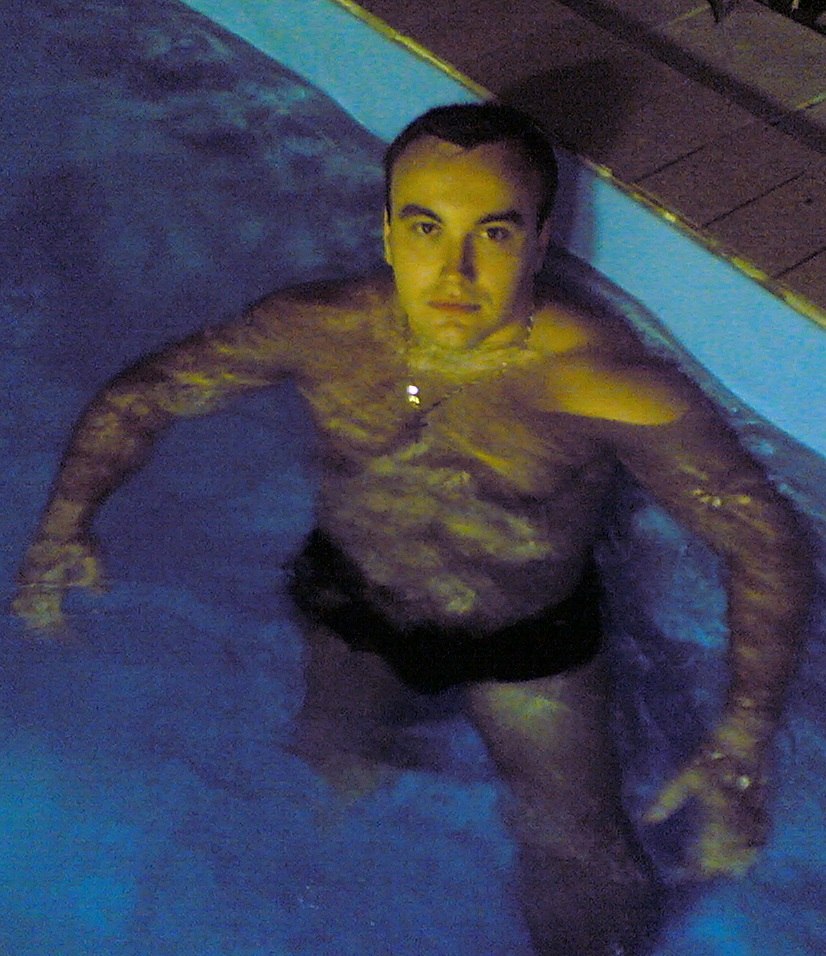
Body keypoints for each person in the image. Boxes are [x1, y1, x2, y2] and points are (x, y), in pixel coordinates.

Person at [12, 103, 814, 955]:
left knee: (585, 863)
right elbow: (148, 394)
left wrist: (743, 735)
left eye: (493, 234)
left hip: (530, 649)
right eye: (427, 228)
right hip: (349, 603)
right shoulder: (318, 329)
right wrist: (64, 525)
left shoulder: (595, 379)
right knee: (325, 772)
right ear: (389, 233)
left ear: (540, 242)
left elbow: (757, 534)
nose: (455, 271)